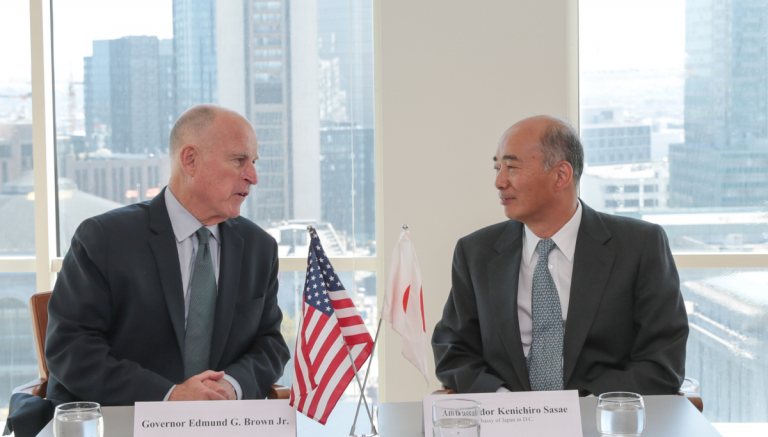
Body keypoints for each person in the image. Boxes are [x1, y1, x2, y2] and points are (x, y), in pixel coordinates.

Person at [45, 104, 291, 405]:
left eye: (253, 162)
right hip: (125, 418)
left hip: (222, 420)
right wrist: (169, 396)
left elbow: (270, 345)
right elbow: (70, 348)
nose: (253, 176)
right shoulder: (103, 239)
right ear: (190, 160)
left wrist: (231, 386)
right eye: (239, 160)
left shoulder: (259, 247)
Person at [432, 115, 689, 396]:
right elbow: (453, 350)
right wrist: (502, 402)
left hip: (598, 414)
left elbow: (662, 362)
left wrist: (576, 410)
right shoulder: (476, 252)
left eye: (512, 167)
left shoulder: (639, 245)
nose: (499, 182)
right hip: (506, 415)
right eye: (497, 168)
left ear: (561, 176)